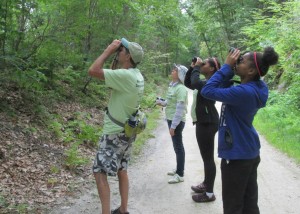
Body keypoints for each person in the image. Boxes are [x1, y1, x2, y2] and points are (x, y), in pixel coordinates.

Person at [201, 47, 279, 214]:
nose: (237, 61)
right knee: (250, 204)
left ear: (251, 70)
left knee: (233, 206)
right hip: (248, 151)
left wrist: (227, 67)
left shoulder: (243, 92)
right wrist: (229, 70)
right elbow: (222, 86)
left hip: (236, 155)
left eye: (241, 61)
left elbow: (207, 90)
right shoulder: (257, 87)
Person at [88, 38, 144, 214]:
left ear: (128, 56)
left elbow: (93, 70)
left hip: (114, 133)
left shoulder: (125, 76)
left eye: (121, 50)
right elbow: (113, 77)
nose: (118, 52)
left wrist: (108, 50)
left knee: (99, 171)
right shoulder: (137, 75)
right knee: (122, 169)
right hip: (127, 132)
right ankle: (123, 210)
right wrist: (115, 55)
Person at [184, 57, 220, 202]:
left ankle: (209, 194)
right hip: (205, 121)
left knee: (208, 158)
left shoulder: (212, 82)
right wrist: (193, 68)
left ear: (211, 68)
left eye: (204, 63)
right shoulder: (207, 81)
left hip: (208, 122)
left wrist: (197, 68)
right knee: (206, 158)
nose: (201, 64)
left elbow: (195, 82)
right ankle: (206, 184)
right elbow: (189, 83)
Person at [155, 64, 188, 184]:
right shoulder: (172, 86)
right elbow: (170, 101)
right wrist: (161, 102)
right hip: (171, 119)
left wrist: (173, 126)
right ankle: (178, 169)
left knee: (178, 147)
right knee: (176, 146)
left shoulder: (181, 89)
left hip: (177, 122)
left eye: (175, 70)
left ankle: (180, 174)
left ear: (180, 75)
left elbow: (179, 109)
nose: (172, 71)